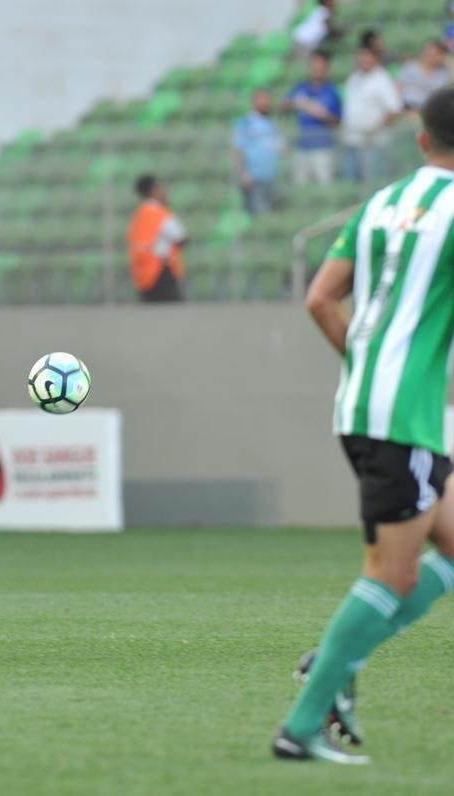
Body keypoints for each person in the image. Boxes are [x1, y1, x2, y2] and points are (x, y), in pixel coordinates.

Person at [272, 85, 454, 764]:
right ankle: (303, 722)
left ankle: (339, 657)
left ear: (420, 139)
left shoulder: (379, 204)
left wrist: (374, 365)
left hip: (375, 406)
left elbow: (321, 299)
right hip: (401, 418)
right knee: (392, 574)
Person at [341, 45, 404, 182]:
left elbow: (394, 110)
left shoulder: (382, 79)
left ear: (375, 59)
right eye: (361, 56)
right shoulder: (354, 77)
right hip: (352, 140)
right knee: (352, 182)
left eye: (368, 56)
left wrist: (374, 130)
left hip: (373, 143)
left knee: (373, 182)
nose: (364, 59)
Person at [285, 50, 343, 185]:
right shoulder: (301, 88)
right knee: (300, 185)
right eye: (314, 65)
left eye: (320, 66)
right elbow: (284, 105)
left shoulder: (331, 92)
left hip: (322, 147)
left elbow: (338, 121)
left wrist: (323, 115)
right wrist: (296, 103)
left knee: (324, 183)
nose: (317, 69)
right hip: (302, 146)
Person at [127, 174, 187, 302]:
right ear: (154, 190)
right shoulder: (160, 214)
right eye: (161, 187)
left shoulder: (139, 215)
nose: (165, 191)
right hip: (160, 272)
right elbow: (181, 238)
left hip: (142, 274)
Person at [232, 89, 283, 215]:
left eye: (266, 101)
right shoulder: (246, 123)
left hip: (271, 176)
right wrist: (244, 173)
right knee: (259, 213)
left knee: (271, 212)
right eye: (261, 100)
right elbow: (238, 148)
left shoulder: (271, 124)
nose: (265, 104)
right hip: (254, 177)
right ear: (254, 103)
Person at [398, 40, 450, 112]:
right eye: (430, 53)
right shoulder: (410, 67)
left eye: (437, 54)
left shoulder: (443, 73)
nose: (432, 56)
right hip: (408, 108)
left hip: (431, 110)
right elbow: (399, 88)